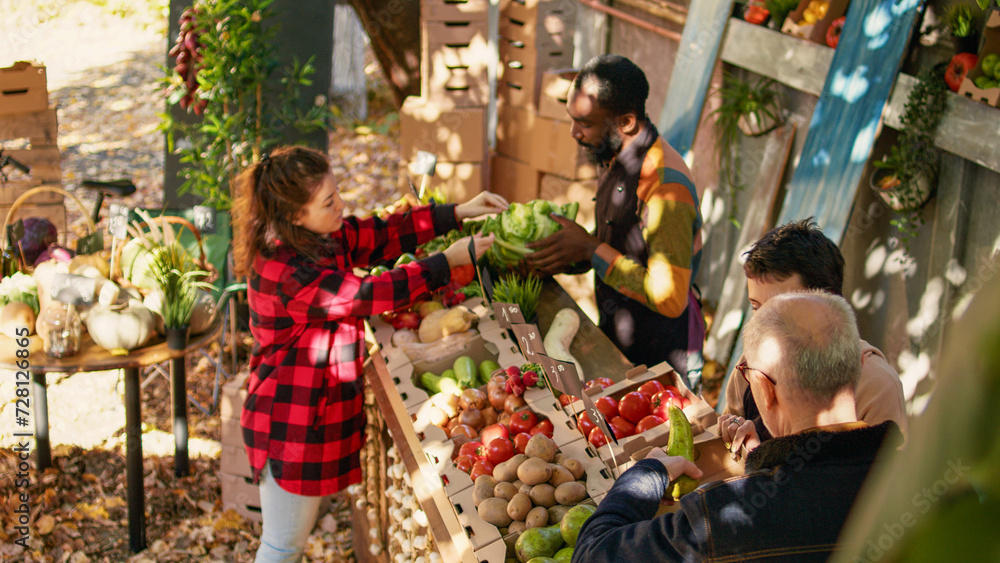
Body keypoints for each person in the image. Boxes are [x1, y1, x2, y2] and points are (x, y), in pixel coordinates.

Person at [231, 146, 506, 562]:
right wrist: (444, 263)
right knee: (282, 544)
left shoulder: (311, 237)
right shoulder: (286, 268)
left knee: (288, 539)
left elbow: (377, 233)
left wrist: (457, 212)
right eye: (329, 202)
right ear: (295, 214)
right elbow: (364, 294)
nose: (342, 205)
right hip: (290, 425)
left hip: (307, 412)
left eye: (337, 192)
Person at [572, 292, 904, 563]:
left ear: (763, 388)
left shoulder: (728, 516)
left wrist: (647, 474)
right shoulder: (922, 478)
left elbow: (592, 555)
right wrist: (768, 460)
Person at [526, 54, 705, 391]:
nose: (574, 132)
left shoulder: (666, 187)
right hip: (619, 335)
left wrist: (590, 247)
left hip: (664, 357)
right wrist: (567, 254)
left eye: (585, 123)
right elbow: (622, 243)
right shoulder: (613, 155)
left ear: (625, 122)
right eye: (572, 119)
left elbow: (669, 297)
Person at [721, 218, 908, 448]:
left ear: (826, 302)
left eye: (778, 309)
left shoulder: (876, 385)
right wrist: (734, 431)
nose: (762, 324)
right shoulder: (749, 367)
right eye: (756, 308)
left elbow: (886, 477)